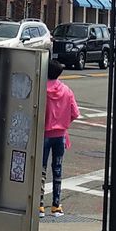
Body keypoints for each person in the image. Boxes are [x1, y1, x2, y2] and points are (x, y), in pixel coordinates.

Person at [40, 58, 80, 218]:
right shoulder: (66, 90)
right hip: (61, 136)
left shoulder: (42, 90)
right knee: (57, 170)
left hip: (44, 135)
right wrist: (64, 123)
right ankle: (56, 205)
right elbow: (75, 113)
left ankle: (39, 205)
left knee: (40, 170)